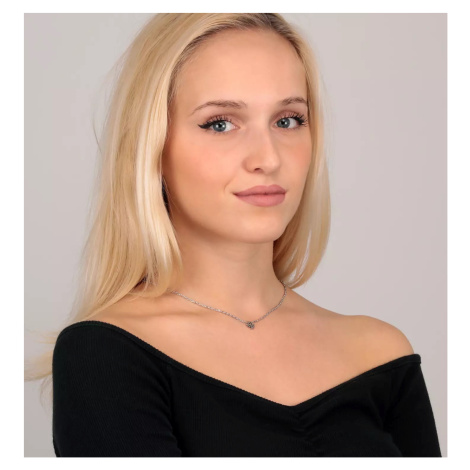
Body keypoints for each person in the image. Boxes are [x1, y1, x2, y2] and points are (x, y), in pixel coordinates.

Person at [26, 13, 441, 457]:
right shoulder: (105, 354)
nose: (268, 158)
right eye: (220, 123)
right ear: (152, 147)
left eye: (288, 120)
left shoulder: (380, 353)